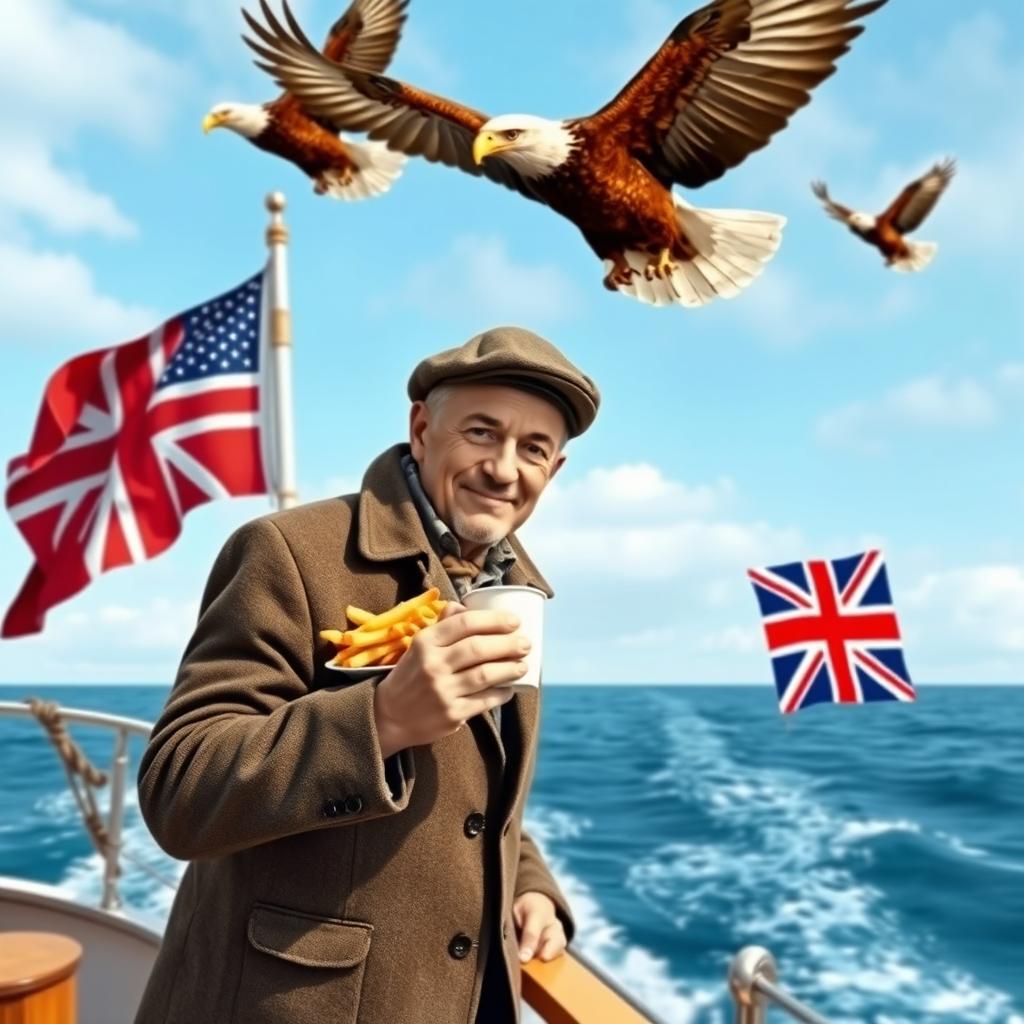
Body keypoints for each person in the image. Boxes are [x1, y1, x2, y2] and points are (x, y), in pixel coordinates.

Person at [134, 325, 601, 1024]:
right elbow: (179, 790)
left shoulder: (516, 590)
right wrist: (379, 721)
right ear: (421, 429)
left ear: (553, 471)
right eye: (481, 433)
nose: (505, 469)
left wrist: (529, 886)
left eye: (533, 448)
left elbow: (477, 801)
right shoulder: (287, 551)